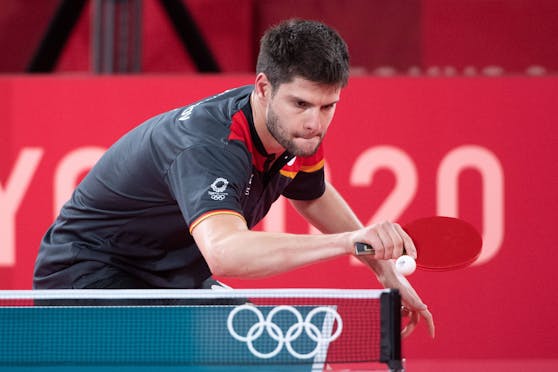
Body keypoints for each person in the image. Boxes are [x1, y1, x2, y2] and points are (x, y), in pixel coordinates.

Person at [33, 19, 434, 337]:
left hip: (166, 277)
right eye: (301, 104)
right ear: (263, 87)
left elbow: (311, 194)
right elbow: (226, 252)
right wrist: (349, 242)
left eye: (328, 106)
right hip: (88, 278)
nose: (315, 123)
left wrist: (383, 270)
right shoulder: (209, 146)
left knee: (262, 348)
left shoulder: (293, 131)